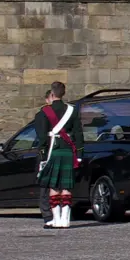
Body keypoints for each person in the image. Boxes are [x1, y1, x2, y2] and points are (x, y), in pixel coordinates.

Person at [35, 81, 83, 228]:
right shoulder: (72, 110)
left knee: (53, 186)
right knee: (66, 187)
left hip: (53, 151)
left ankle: (55, 220)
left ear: (52, 94)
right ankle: (65, 219)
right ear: (63, 93)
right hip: (68, 151)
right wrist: (80, 154)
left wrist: (42, 154)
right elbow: (78, 134)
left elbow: (42, 137)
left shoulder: (44, 112)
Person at [39, 90, 54, 229]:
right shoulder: (43, 114)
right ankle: (49, 216)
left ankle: (56, 215)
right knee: (47, 184)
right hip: (49, 151)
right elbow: (42, 136)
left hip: (58, 151)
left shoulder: (64, 112)